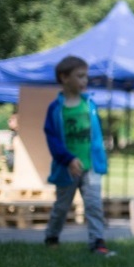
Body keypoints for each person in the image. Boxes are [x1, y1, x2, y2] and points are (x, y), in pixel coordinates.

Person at [43, 55, 115, 256]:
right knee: (62, 207)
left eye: (86, 76)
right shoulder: (56, 108)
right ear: (64, 78)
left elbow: (96, 134)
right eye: (80, 76)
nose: (85, 80)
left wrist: (100, 157)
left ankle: (97, 242)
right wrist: (67, 159)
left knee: (94, 205)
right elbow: (53, 138)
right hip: (67, 168)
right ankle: (52, 237)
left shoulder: (89, 104)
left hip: (90, 166)